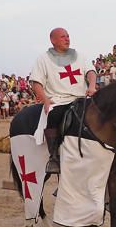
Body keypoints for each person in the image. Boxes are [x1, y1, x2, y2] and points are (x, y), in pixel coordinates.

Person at [29, 28, 96, 174]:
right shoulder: (43, 59)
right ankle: (54, 157)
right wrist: (46, 100)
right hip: (59, 99)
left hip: (82, 97)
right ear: (53, 40)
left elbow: (90, 71)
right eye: (62, 37)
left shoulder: (79, 56)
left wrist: (91, 86)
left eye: (68, 36)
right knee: (53, 116)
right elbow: (36, 83)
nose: (67, 39)